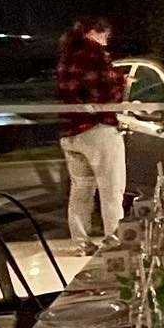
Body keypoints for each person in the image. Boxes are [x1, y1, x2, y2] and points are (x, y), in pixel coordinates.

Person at [56, 15, 127, 244]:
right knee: (112, 189)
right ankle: (114, 241)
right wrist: (123, 82)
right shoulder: (95, 54)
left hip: (70, 131)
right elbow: (106, 93)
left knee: (81, 190)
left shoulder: (66, 56)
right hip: (98, 129)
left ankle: (81, 242)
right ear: (96, 32)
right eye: (106, 36)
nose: (106, 41)